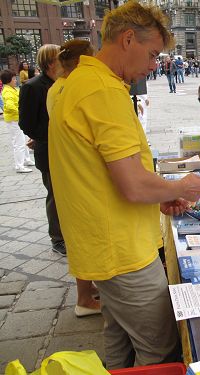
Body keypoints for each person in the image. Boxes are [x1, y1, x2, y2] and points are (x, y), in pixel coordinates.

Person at [48, 1, 200, 368]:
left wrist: (160, 197)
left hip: (104, 242)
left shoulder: (83, 82)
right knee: (160, 348)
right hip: (121, 251)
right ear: (127, 39)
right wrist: (180, 187)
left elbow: (106, 173)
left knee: (119, 335)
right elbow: (133, 185)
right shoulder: (102, 90)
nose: (154, 65)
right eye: (152, 54)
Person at [45, 39, 101, 318]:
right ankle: (84, 299)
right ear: (82, 62)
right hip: (81, 173)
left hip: (70, 171)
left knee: (83, 236)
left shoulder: (57, 88)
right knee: (87, 237)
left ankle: (88, 294)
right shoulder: (72, 88)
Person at [19, 44, 66, 256]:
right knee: (55, 196)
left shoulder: (64, 83)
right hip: (48, 150)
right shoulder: (33, 86)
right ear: (50, 63)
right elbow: (26, 124)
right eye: (60, 59)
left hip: (67, 150)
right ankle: (58, 238)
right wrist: (47, 136)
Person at [1, 69, 35, 173]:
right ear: (8, 80)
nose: (16, 80)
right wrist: (21, 112)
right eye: (14, 78)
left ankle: (26, 159)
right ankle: (19, 165)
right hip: (13, 120)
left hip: (16, 119)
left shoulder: (12, 89)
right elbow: (10, 106)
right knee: (18, 143)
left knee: (23, 139)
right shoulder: (7, 91)